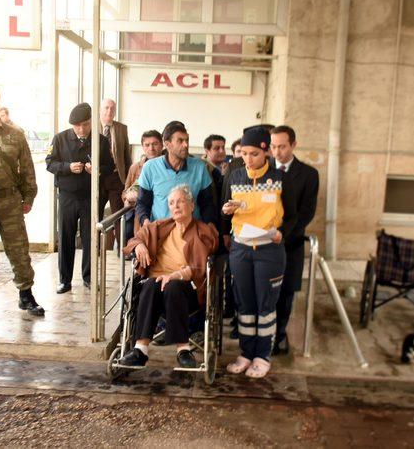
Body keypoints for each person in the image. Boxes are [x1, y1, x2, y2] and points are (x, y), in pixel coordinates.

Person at [119, 185, 219, 368]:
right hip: (155, 287)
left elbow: (199, 266)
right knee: (149, 284)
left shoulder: (203, 231)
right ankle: (140, 349)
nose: (176, 206)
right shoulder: (161, 226)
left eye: (180, 201)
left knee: (173, 286)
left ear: (191, 205)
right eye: (172, 203)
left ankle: (183, 349)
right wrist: (139, 246)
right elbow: (136, 239)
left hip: (186, 289)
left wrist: (175, 275)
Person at [221, 126, 291, 378]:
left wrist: (283, 231)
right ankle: (246, 353)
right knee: (244, 304)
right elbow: (224, 205)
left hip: (269, 250)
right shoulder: (235, 175)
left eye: (254, 154)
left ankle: (263, 355)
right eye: (245, 154)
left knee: (265, 305)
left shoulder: (280, 179)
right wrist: (228, 208)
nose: (248, 160)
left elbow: (291, 215)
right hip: (240, 249)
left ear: (266, 153)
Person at [0, 84, 44, 323]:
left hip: (10, 201)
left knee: (19, 249)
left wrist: (29, 197)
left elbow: (27, 168)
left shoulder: (15, 135)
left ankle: (26, 295)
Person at [45, 103, 110, 293]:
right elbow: (50, 163)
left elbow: (109, 167)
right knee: (65, 237)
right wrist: (67, 167)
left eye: (86, 124)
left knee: (91, 238)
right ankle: (64, 280)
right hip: (67, 196)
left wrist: (96, 170)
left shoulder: (101, 141)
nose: (82, 129)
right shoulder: (60, 139)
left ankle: (89, 277)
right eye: (77, 126)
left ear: (91, 122)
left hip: (91, 197)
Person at [270, 125, 319, 354]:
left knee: (285, 293)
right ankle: (261, 336)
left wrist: (283, 235)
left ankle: (279, 336)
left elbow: (306, 212)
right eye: (273, 146)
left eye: (282, 146)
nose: (276, 152)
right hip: (262, 244)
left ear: (293, 145)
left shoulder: (309, 175)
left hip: (291, 245)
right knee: (262, 293)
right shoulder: (263, 169)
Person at [136, 121, 216, 228]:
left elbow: (207, 204)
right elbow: (142, 203)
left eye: (187, 140)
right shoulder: (150, 167)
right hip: (160, 232)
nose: (186, 145)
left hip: (191, 232)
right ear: (167, 144)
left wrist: (209, 227)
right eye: (180, 141)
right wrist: (146, 222)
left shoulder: (199, 167)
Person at [99, 99, 132, 244]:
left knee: (118, 214)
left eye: (112, 108)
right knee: (96, 214)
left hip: (116, 177)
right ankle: (95, 248)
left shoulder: (121, 129)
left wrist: (128, 180)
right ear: (100, 109)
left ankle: (122, 248)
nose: (109, 111)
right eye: (106, 108)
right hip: (98, 178)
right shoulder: (92, 128)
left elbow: (126, 155)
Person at [121, 130, 164, 242]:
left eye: (155, 144)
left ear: (162, 145)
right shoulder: (135, 167)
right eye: (147, 145)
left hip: (160, 215)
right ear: (143, 147)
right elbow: (125, 191)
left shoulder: (168, 167)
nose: (151, 148)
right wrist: (128, 197)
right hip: (139, 215)